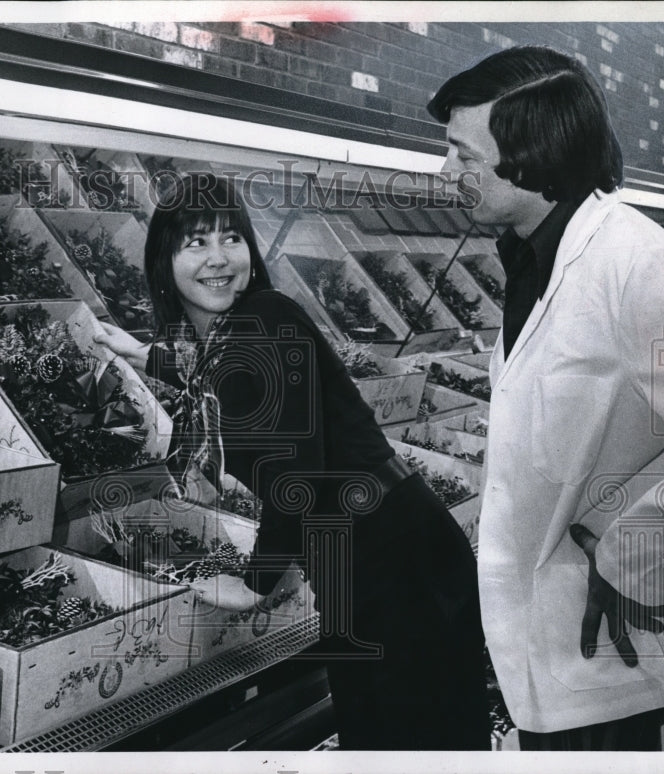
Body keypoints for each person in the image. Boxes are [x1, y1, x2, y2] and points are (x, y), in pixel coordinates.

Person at [95, 173, 491, 750]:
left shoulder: (264, 319)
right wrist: (144, 354)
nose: (218, 258)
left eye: (231, 238)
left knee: (407, 744)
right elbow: (225, 377)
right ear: (164, 259)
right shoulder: (243, 327)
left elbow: (295, 472)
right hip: (378, 554)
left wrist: (255, 582)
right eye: (195, 243)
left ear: (251, 249)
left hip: (393, 565)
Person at [427, 46, 664, 750]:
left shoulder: (643, 266)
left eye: (464, 156)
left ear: (530, 153)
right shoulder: (532, 254)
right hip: (550, 643)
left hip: (603, 647)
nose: (445, 173)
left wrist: (640, 559)